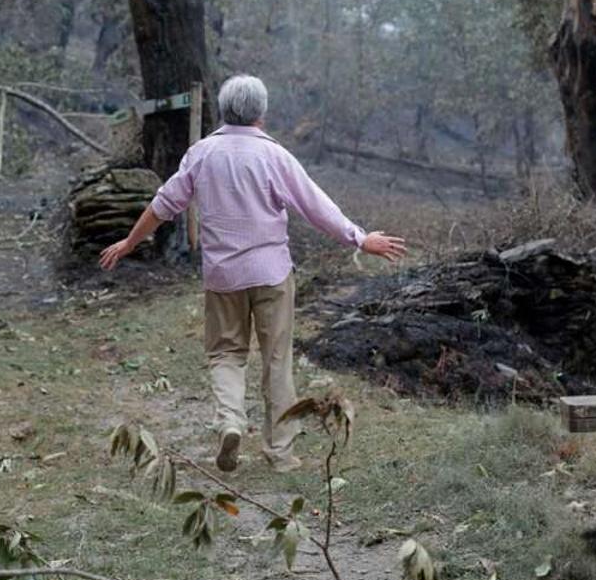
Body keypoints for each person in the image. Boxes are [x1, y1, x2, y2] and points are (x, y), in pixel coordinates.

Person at [99, 75, 407, 473]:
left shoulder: (202, 153)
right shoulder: (274, 156)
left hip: (222, 276)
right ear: (261, 113)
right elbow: (315, 206)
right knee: (277, 361)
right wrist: (360, 238)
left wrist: (129, 242)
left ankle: (230, 421)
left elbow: (163, 205)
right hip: (271, 274)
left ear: (225, 111)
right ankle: (280, 453)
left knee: (226, 353)